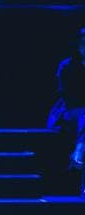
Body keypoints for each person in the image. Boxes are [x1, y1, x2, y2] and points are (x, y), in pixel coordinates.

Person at [49, 27, 85, 172]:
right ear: (78, 45)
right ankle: (79, 150)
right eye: (83, 43)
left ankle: (79, 152)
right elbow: (69, 97)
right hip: (68, 112)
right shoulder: (67, 66)